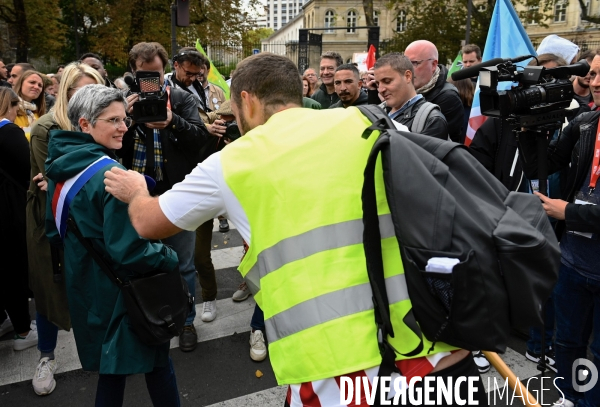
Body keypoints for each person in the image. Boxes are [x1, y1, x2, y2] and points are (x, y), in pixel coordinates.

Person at [104, 52, 486, 407]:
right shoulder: (376, 121)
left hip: (337, 371)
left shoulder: (233, 162)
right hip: (431, 342)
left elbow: (148, 222)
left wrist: (136, 191)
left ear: (248, 100)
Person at [45, 84, 181, 407]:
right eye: (113, 121)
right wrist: (169, 256)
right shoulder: (112, 174)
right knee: (159, 363)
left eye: (124, 119)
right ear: (84, 124)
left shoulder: (59, 165)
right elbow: (131, 250)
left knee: (111, 370)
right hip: (126, 292)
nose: (123, 128)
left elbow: (53, 232)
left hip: (89, 288)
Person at [518, 51, 600, 407]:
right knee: (567, 342)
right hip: (572, 260)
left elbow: (576, 209)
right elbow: (544, 163)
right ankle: (568, 397)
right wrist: (525, 128)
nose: (595, 83)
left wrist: (570, 212)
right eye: (592, 74)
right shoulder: (585, 122)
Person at [117, 41, 209, 352]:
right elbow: (111, 148)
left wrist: (173, 121)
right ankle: (151, 318)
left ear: (164, 69)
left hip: (175, 194)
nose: (150, 81)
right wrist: (126, 123)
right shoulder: (120, 102)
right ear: (133, 72)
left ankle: (186, 322)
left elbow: (200, 141)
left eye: (155, 74)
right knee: (141, 263)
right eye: (144, 75)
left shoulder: (181, 97)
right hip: (136, 196)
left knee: (183, 264)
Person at [26, 62, 105, 396]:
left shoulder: (104, 123)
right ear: (63, 93)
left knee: (96, 288)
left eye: (93, 90)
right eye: (78, 91)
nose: (85, 98)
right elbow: (53, 178)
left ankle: (105, 351)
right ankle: (46, 355)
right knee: (50, 292)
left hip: (91, 220)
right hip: (52, 220)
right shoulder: (46, 128)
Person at [0, 87, 38, 352]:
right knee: (12, 268)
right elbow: (29, 168)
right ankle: (24, 330)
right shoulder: (8, 131)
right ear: (10, 106)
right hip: (8, 208)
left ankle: (5, 319)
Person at [370, 52, 448, 139]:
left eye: (387, 81)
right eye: (377, 84)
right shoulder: (377, 112)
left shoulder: (432, 120)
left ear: (408, 76)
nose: (381, 90)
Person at [404, 40, 464, 142]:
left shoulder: (448, 98)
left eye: (414, 63)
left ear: (433, 65)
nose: (407, 70)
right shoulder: (406, 90)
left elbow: (432, 145)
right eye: (405, 64)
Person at [13, 69, 47, 141]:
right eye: (32, 82)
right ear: (21, 83)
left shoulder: (39, 114)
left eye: (40, 85)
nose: (36, 87)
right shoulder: (8, 108)